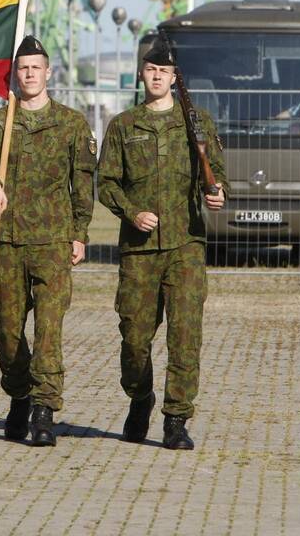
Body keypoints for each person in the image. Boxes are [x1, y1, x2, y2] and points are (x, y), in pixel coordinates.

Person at [97, 31, 228, 450]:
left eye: (164, 71)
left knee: (185, 334)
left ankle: (176, 419)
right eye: (151, 69)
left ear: (174, 77)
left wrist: (218, 192)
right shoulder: (123, 126)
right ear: (142, 74)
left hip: (186, 245)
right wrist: (132, 212)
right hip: (139, 250)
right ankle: (140, 398)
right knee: (135, 338)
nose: (157, 76)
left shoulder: (198, 123)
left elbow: (218, 173)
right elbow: (106, 183)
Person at [0, 35, 95, 447]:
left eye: (35, 67)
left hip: (52, 241)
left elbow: (82, 183)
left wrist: (80, 234)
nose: (29, 74)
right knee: (8, 333)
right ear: (15, 73)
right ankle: (20, 394)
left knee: (48, 330)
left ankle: (45, 409)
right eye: (22, 68)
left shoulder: (72, 123)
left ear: (48, 73)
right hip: (6, 241)